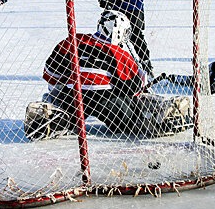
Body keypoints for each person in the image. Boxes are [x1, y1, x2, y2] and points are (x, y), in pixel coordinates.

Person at [24, 10, 191, 141]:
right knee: (132, 118)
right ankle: (160, 114)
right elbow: (133, 89)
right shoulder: (119, 53)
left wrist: (60, 91)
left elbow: (50, 73)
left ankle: (52, 115)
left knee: (59, 105)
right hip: (106, 99)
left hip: (72, 94)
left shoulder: (72, 41)